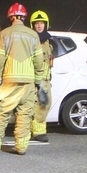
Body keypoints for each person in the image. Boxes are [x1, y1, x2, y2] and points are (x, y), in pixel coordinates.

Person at [0, 3, 44, 156]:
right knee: (25, 115)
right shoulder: (33, 35)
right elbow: (39, 60)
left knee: (2, 113)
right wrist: (39, 79)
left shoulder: (4, 34)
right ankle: (21, 147)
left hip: (9, 81)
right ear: (24, 17)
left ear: (10, 17)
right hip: (28, 82)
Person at [29, 10, 54, 142]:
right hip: (33, 78)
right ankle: (33, 131)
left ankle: (38, 130)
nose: (39, 26)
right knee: (34, 105)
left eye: (41, 23)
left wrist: (49, 77)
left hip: (45, 78)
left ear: (46, 24)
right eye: (37, 23)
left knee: (45, 103)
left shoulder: (48, 40)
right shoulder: (30, 40)